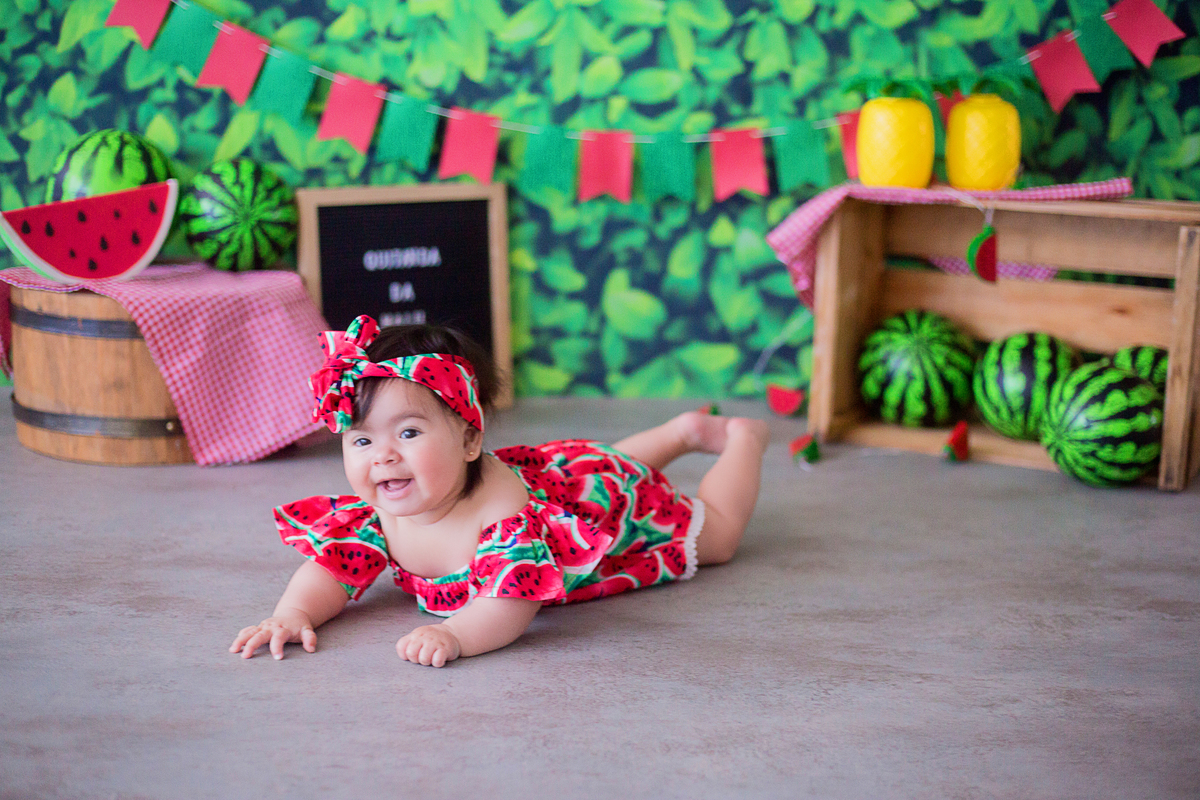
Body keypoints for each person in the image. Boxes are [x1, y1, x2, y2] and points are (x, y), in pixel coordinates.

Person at [231, 315, 770, 668]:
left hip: (606, 510)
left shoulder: (502, 521)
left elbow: (508, 605)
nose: (383, 455)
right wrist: (294, 612)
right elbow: (333, 566)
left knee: (715, 536)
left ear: (469, 440)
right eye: (362, 438)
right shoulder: (383, 508)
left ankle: (742, 439)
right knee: (608, 462)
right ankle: (680, 432)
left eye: (409, 433)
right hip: (566, 474)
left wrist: (458, 636)